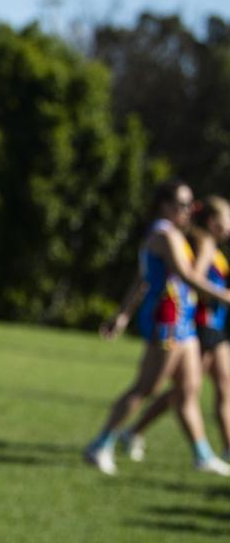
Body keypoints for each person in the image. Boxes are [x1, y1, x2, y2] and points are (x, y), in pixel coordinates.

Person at [86, 181, 230, 475]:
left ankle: (202, 455)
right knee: (147, 388)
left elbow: (142, 279)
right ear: (165, 206)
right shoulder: (164, 234)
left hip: (184, 321)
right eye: (183, 205)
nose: (190, 210)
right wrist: (224, 297)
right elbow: (187, 276)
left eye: (192, 205)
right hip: (166, 321)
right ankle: (101, 443)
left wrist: (123, 314)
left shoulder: (174, 234)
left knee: (188, 389)